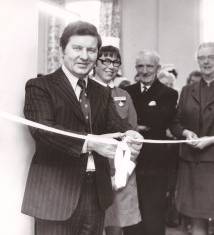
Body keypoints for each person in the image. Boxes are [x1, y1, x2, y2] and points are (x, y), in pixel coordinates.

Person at [22, 21, 143, 235]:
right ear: (62, 50)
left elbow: (117, 124)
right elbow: (43, 131)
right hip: (54, 194)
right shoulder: (40, 86)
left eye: (91, 50)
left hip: (95, 193)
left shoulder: (102, 92)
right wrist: (91, 143)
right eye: (77, 48)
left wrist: (130, 134)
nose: (84, 56)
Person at [170, 42, 214, 235]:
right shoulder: (187, 90)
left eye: (211, 57)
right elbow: (175, 123)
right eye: (202, 58)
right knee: (196, 218)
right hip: (191, 163)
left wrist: (213, 139)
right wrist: (186, 133)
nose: (206, 62)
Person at [124, 50, 179, 235]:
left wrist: (134, 123)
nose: (145, 70)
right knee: (131, 215)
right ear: (136, 68)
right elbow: (121, 120)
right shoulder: (127, 91)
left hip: (155, 163)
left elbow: (159, 121)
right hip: (129, 161)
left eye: (149, 66)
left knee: (153, 214)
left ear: (158, 68)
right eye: (140, 66)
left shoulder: (169, 93)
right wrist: (141, 124)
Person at [92, 45, 141, 235]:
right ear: (95, 63)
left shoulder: (123, 96)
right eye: (105, 60)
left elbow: (134, 136)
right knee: (91, 222)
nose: (111, 66)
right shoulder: (84, 92)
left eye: (115, 62)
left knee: (115, 224)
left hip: (119, 169)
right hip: (93, 167)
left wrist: (123, 172)